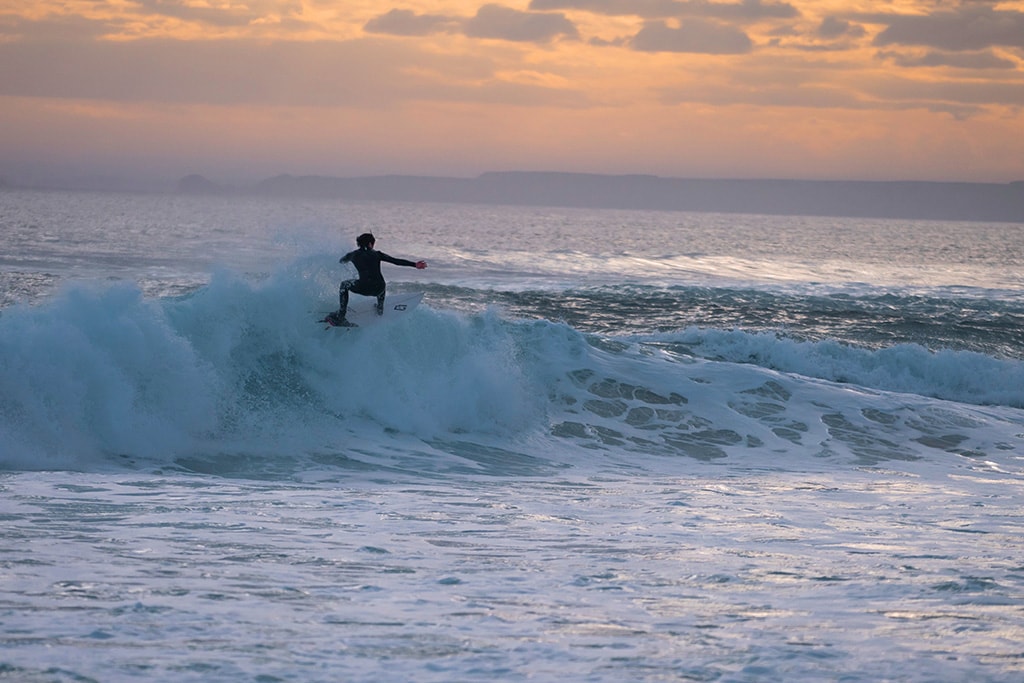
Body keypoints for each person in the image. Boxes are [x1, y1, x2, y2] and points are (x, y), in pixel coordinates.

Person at [324, 233, 426, 326]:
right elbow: (396, 261)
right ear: (370, 244)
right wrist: (414, 264)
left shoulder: (352, 255)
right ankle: (380, 309)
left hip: (363, 287)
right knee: (381, 284)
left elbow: (341, 261)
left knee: (344, 284)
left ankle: (341, 315)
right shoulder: (377, 254)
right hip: (378, 289)